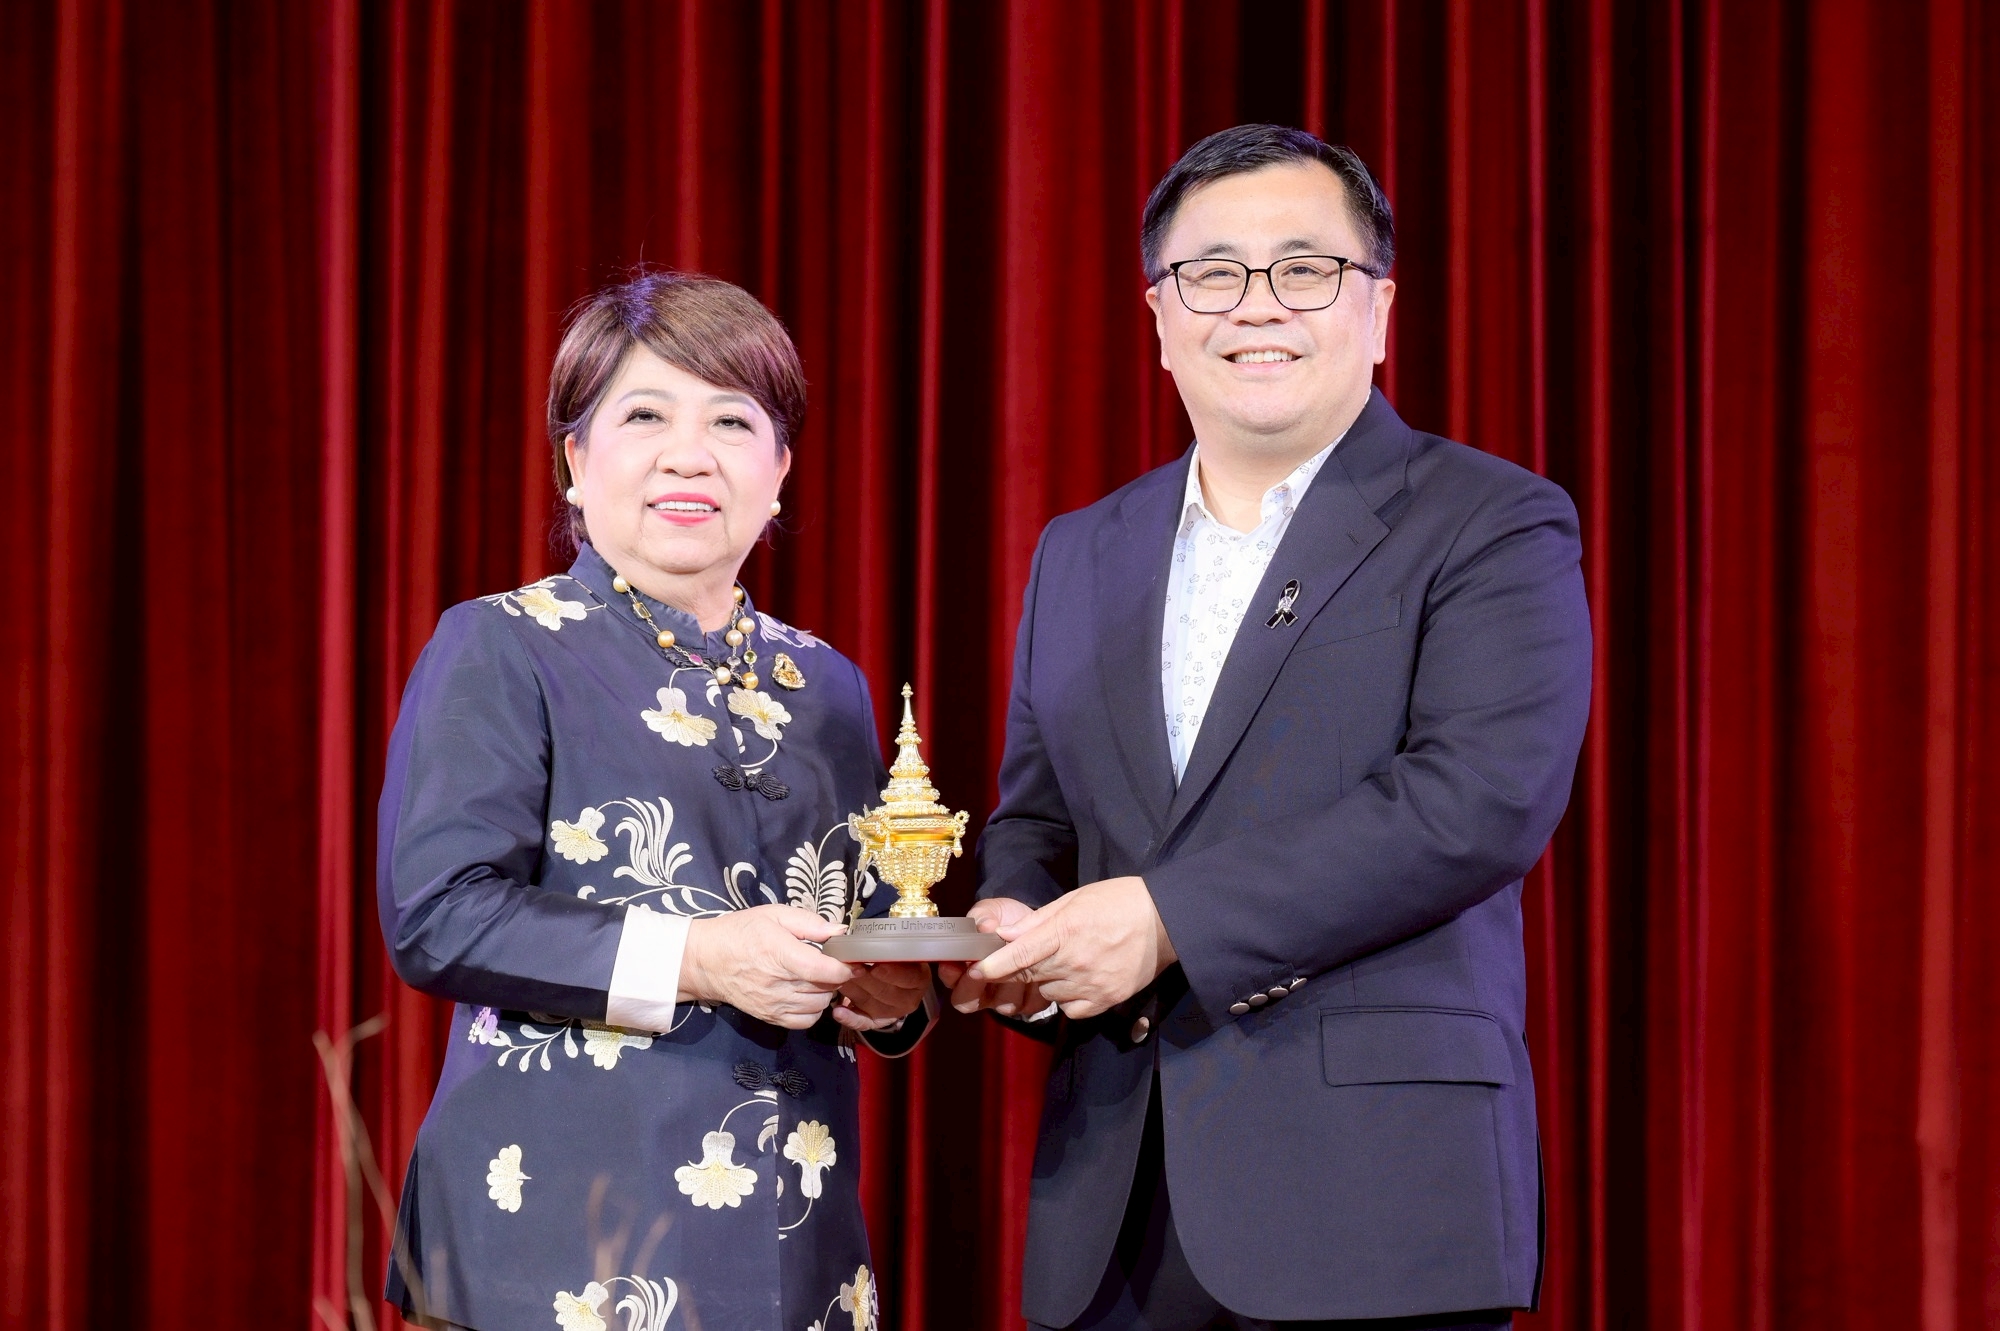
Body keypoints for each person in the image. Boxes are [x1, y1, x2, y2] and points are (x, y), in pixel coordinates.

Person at [945, 125, 1593, 1329]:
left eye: (1303, 269)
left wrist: (1163, 919)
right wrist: (1014, 923)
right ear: (1158, 316)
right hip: (1114, 1210)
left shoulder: (1488, 519)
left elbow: (1475, 801)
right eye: (1212, 273)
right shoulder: (1080, 549)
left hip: (1372, 1198)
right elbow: (1036, 817)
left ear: (1378, 308)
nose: (1257, 305)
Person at [377, 271, 929, 1331]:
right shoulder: (502, 644)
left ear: (779, 470)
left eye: (732, 420)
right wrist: (701, 957)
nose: (689, 453)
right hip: (559, 1237)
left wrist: (895, 997)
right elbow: (437, 914)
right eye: (644, 416)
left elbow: (867, 933)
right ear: (574, 461)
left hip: (793, 1239)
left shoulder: (830, 684)